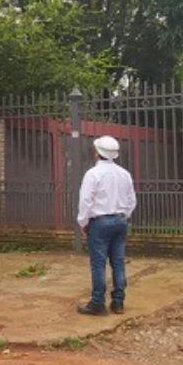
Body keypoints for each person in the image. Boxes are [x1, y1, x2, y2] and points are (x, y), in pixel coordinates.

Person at [77, 135, 137, 316]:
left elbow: (85, 201)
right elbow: (131, 200)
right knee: (118, 262)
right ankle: (118, 302)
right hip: (120, 221)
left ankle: (97, 303)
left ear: (97, 153)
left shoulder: (93, 174)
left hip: (100, 223)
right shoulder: (124, 174)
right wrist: (124, 216)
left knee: (98, 264)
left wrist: (83, 222)